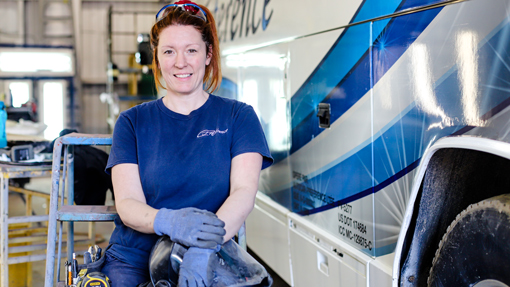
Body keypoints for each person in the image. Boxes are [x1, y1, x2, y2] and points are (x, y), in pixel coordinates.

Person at [100, 1, 273, 287]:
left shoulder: (239, 116)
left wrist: (204, 246)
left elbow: (243, 193)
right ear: (157, 58)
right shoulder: (131, 122)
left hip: (211, 254)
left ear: (208, 55)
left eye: (191, 50)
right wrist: (170, 222)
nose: (180, 62)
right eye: (169, 51)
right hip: (135, 257)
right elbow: (128, 203)